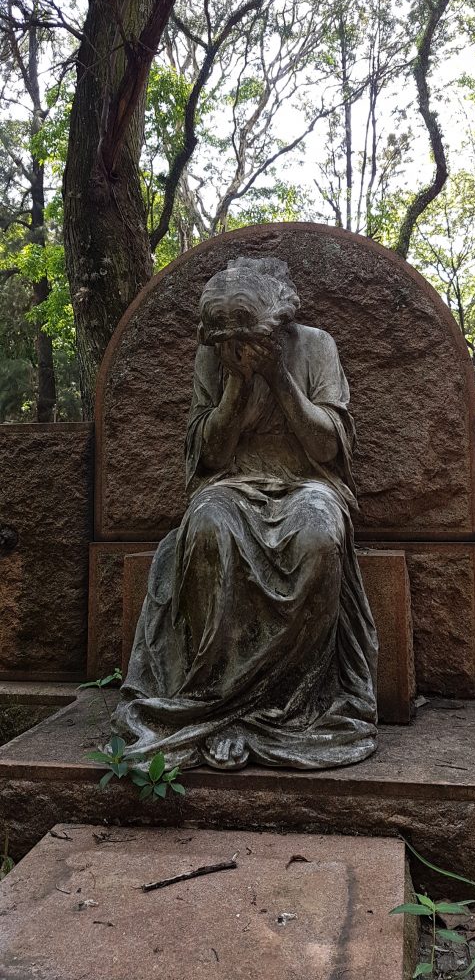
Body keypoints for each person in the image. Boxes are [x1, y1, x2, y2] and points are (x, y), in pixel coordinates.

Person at [113, 256, 378, 771]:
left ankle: (294, 706)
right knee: (207, 528)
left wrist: (278, 376)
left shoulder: (316, 346)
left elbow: (327, 449)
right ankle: (216, 700)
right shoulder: (211, 359)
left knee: (320, 537)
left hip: (308, 485)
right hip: (230, 486)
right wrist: (235, 383)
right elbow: (208, 457)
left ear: (278, 323)